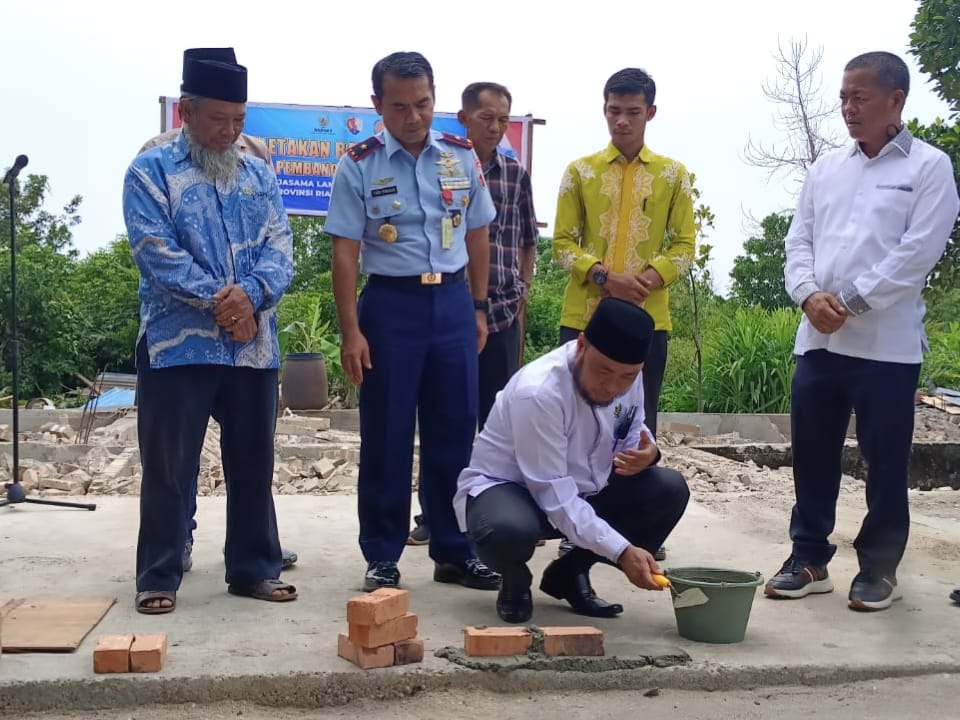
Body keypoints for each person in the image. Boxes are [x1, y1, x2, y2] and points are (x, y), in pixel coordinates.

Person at [765, 51, 960, 612]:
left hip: (886, 348)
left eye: (861, 97)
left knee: (885, 459)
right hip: (820, 341)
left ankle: (878, 568)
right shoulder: (828, 168)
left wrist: (848, 300)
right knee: (813, 453)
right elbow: (797, 240)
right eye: (844, 97)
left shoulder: (928, 168)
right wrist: (806, 294)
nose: (848, 108)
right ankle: (807, 556)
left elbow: (915, 255)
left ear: (895, 101)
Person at [124, 51, 297, 613]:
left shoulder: (259, 173)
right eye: (219, 119)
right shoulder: (150, 173)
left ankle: (253, 569)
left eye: (239, 119)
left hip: (253, 344)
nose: (231, 132)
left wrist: (253, 296)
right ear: (186, 111)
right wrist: (222, 302)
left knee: (253, 462)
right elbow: (156, 252)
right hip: (178, 345)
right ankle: (159, 575)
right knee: (170, 465)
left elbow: (280, 247)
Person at [325, 51, 502, 593]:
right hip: (390, 308)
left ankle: (454, 549)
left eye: (423, 103)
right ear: (378, 104)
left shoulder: (460, 156)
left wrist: (477, 306)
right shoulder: (359, 163)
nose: (413, 117)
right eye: (399, 106)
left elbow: (477, 234)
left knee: (455, 433)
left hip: (450, 305)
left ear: (434, 97)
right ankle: (382, 553)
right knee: (387, 435)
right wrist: (351, 331)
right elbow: (345, 252)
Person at [455, 297, 690, 623]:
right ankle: (514, 580)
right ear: (581, 345)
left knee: (669, 489)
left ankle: (568, 574)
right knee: (506, 530)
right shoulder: (539, 393)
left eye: (626, 376)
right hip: (514, 491)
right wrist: (621, 551)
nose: (612, 387)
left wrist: (649, 453)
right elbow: (554, 495)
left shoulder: (628, 381)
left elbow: (633, 429)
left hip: (583, 489)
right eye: (603, 371)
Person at [551, 67, 696, 562]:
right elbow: (562, 243)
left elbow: (685, 245)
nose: (623, 121)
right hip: (586, 318)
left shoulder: (673, 175)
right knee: (572, 419)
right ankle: (571, 521)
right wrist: (603, 277)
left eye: (633, 112)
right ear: (605, 109)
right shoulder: (580, 171)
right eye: (614, 111)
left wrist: (647, 279)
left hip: (647, 321)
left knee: (634, 425)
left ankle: (625, 528)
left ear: (650, 113)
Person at [407, 81, 539, 548]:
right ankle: (437, 515)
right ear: (463, 118)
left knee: (502, 418)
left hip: (501, 310)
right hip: (451, 313)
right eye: (487, 118)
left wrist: (522, 288)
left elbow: (528, 237)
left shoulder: (514, 173)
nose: (497, 128)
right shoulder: (445, 166)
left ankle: (507, 514)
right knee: (448, 421)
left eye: (504, 119)